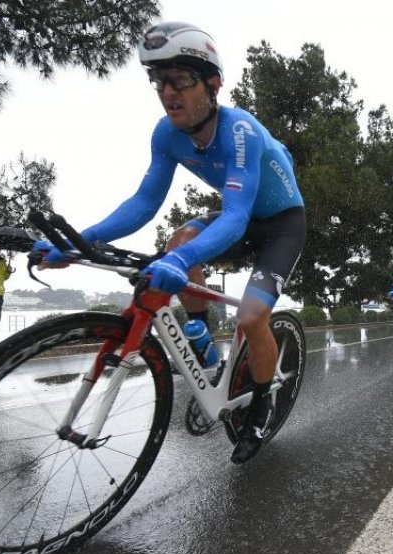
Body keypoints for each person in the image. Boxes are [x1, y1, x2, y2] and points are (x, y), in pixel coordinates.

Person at [36, 22, 306, 465]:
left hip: (280, 224)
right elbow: (144, 202)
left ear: (213, 83)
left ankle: (261, 404)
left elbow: (236, 215)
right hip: (242, 218)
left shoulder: (240, 130)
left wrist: (179, 261)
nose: (166, 91)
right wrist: (79, 242)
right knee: (179, 237)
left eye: (179, 79)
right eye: (158, 80)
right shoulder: (166, 134)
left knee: (252, 314)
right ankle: (199, 333)